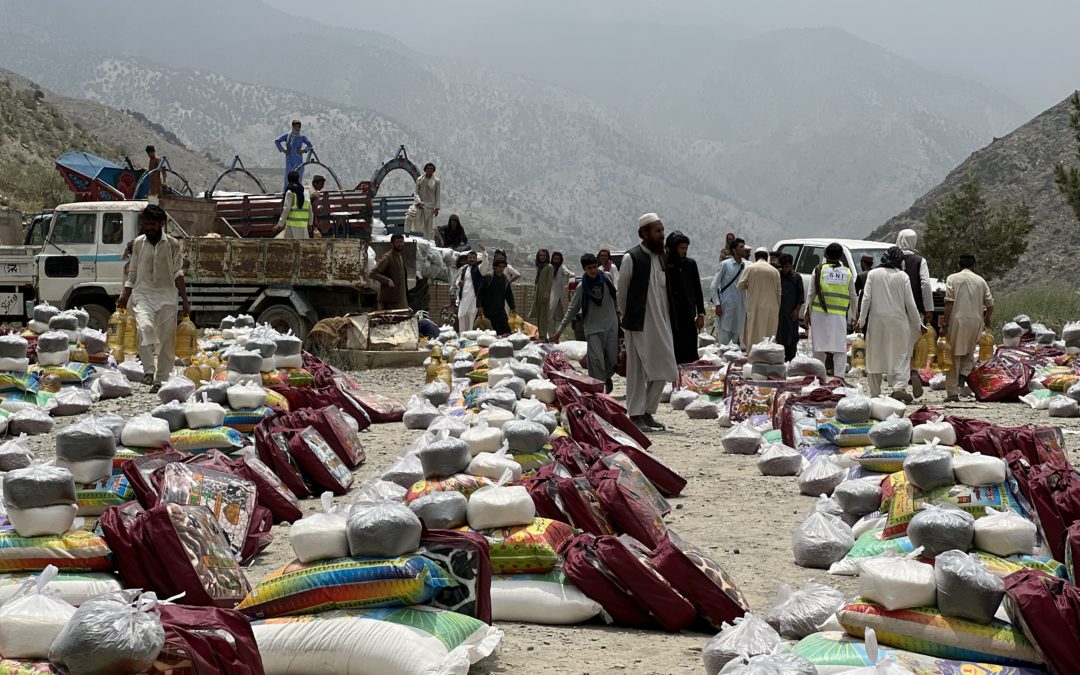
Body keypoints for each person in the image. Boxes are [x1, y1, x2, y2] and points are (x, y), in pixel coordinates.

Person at [116, 205, 189, 392]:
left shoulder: (172, 244)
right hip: (143, 294)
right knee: (145, 328)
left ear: (161, 224)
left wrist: (185, 301)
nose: (149, 227)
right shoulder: (139, 244)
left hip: (167, 297)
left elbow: (178, 272)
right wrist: (124, 296)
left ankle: (160, 379)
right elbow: (132, 273)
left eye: (152, 224)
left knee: (166, 340)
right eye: (146, 223)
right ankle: (148, 370)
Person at [618, 213, 678, 432]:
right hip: (638, 324)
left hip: (661, 323)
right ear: (644, 233)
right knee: (637, 370)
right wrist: (626, 317)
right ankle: (635, 415)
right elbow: (622, 293)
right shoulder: (631, 258)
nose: (662, 235)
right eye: (658, 231)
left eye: (662, 230)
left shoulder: (661, 258)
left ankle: (648, 412)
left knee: (665, 365)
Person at [857, 246, 923, 401]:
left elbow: (866, 298)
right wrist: (918, 323)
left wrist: (862, 320)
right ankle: (899, 387)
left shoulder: (873, 274)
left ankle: (874, 393)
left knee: (875, 355)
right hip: (899, 322)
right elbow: (910, 304)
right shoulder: (903, 276)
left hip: (876, 321)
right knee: (901, 355)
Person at [555, 253, 620, 392]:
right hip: (593, 329)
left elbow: (615, 298)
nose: (593, 270)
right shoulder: (582, 287)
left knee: (612, 360)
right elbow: (572, 309)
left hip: (611, 326)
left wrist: (620, 316)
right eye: (589, 268)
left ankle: (605, 378)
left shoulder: (606, 278)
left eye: (595, 267)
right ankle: (599, 391)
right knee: (596, 362)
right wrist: (560, 330)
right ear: (584, 269)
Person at [942, 254, 993, 402]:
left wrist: (945, 324)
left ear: (959, 265)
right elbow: (990, 304)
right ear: (974, 265)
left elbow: (949, 303)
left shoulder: (952, 278)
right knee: (969, 352)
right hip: (976, 321)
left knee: (953, 356)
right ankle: (963, 374)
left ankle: (952, 393)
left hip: (957, 320)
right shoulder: (980, 280)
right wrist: (987, 318)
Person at [806, 243, 857, 376]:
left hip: (819, 314)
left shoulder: (818, 270)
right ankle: (839, 378)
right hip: (839, 315)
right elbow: (853, 295)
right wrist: (854, 315)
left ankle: (818, 376)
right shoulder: (847, 272)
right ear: (840, 256)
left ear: (826, 255)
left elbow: (811, 292)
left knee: (818, 346)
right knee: (839, 348)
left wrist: (807, 311)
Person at [897, 229, 934, 397]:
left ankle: (900, 386)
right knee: (911, 344)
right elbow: (925, 284)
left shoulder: (892, 259)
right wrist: (928, 308)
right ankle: (912, 371)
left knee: (899, 348)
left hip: (894, 310)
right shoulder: (920, 261)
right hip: (915, 310)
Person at [665, 231, 705, 364]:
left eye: (686, 248)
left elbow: (697, 290)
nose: (684, 251)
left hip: (687, 315)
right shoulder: (664, 265)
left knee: (689, 352)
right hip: (670, 317)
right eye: (681, 248)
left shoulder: (690, 264)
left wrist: (700, 314)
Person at [738, 247, 781, 349]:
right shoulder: (775, 271)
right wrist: (777, 308)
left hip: (755, 306)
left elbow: (740, 286)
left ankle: (753, 357)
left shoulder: (751, 268)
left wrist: (750, 285)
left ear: (755, 257)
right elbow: (779, 293)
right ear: (767, 258)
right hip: (771, 308)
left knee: (754, 332)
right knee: (768, 333)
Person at [710, 238, 747, 346]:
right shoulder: (725, 264)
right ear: (734, 250)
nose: (744, 249)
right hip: (726, 306)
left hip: (740, 307)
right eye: (741, 247)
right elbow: (714, 285)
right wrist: (717, 304)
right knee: (724, 338)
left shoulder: (745, 266)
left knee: (736, 338)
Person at [776, 253, 805, 361]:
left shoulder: (796, 278)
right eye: (783, 267)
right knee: (780, 335)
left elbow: (800, 296)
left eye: (787, 267)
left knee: (792, 336)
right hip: (779, 312)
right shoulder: (778, 276)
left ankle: (791, 358)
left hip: (791, 312)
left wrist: (796, 310)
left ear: (791, 266)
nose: (785, 269)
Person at [371, 234, 409, 310]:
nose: (400, 244)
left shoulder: (399, 256)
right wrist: (387, 280)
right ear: (392, 243)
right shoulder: (387, 257)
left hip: (400, 299)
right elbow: (373, 273)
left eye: (402, 242)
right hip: (390, 302)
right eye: (398, 242)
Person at [478, 259, 516, 334]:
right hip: (488, 309)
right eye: (499, 267)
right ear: (495, 267)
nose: (501, 269)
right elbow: (480, 292)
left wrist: (512, 307)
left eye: (503, 267)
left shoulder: (505, 279)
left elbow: (509, 294)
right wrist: (479, 306)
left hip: (500, 309)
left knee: (505, 329)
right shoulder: (489, 277)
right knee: (492, 331)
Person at [405, 162, 441, 240]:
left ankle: (427, 242)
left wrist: (437, 208)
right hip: (419, 205)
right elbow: (416, 192)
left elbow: (437, 195)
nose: (429, 170)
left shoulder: (437, 181)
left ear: (433, 170)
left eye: (431, 169)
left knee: (428, 226)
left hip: (430, 206)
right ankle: (406, 236)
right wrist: (418, 202)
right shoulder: (420, 179)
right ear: (425, 169)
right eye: (428, 168)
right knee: (409, 216)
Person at [274, 120, 313, 190]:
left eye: (299, 127)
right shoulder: (288, 136)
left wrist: (304, 150)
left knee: (299, 178)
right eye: (295, 127)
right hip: (289, 160)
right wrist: (283, 150)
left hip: (299, 161)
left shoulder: (301, 137)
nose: (297, 128)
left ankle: (298, 193)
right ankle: (285, 193)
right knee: (288, 178)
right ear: (292, 127)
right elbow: (277, 141)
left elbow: (310, 145)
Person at [454, 249, 486, 331]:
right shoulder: (464, 269)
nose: (471, 259)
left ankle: (470, 336)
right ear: (467, 259)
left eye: (473, 258)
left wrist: (484, 252)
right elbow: (458, 280)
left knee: (471, 317)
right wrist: (459, 283)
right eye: (470, 257)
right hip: (463, 298)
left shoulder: (479, 269)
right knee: (461, 316)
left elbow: (485, 264)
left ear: (476, 259)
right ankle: (462, 336)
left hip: (473, 298)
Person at [276, 171, 311, 239]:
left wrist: (280, 224)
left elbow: (286, 209)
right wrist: (310, 223)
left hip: (291, 226)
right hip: (303, 226)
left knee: (289, 247)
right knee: (302, 247)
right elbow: (310, 210)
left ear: (288, 179)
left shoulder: (289, 192)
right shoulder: (306, 192)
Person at [548, 251, 574, 338]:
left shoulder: (562, 268)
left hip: (558, 296)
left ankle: (555, 336)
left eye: (558, 259)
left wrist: (570, 283)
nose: (556, 260)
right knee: (550, 317)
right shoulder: (549, 267)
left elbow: (571, 274)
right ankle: (551, 335)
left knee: (556, 317)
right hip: (549, 296)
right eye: (555, 258)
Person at [531, 249, 554, 339]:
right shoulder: (539, 267)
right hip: (538, 292)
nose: (542, 257)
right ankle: (540, 335)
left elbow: (549, 282)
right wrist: (535, 292)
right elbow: (537, 282)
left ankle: (543, 336)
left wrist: (546, 295)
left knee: (543, 315)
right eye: (540, 255)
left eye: (544, 255)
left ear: (547, 256)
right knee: (539, 315)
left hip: (544, 294)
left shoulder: (549, 267)